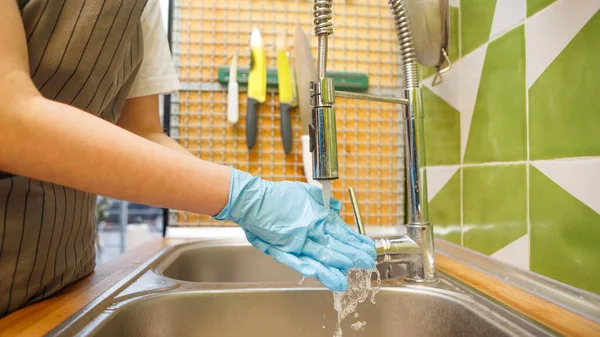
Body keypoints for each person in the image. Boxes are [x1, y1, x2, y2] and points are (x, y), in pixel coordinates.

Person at [0, 0, 376, 317]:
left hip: (66, 276)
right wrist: (242, 195)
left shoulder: (139, 9)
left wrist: (248, 202)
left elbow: (144, 134)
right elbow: (9, 117)